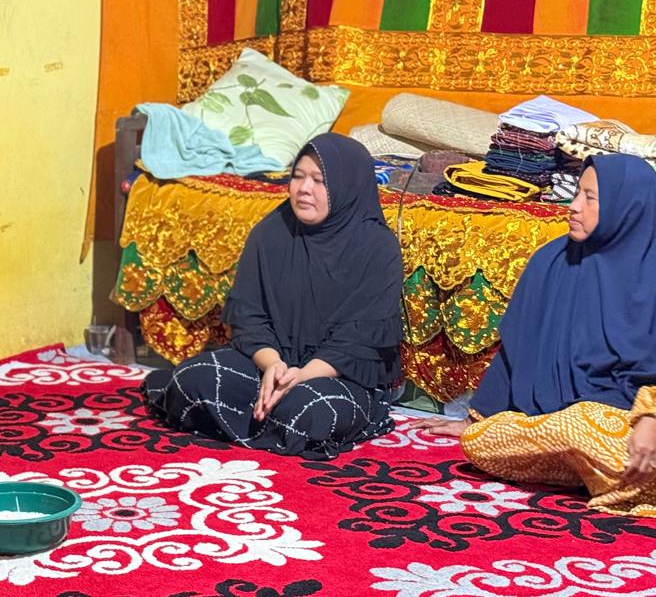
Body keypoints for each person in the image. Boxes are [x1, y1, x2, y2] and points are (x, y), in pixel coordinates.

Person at [410, 154, 656, 515]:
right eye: (577, 193)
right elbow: (516, 350)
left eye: (590, 198)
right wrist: (474, 419)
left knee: (583, 427)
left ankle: (597, 466)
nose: (574, 207)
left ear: (628, 208)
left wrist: (648, 419)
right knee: (479, 441)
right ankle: (595, 470)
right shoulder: (551, 261)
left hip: (635, 424)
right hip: (566, 426)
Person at [143, 133, 404, 459]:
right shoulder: (271, 232)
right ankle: (267, 425)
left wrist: (302, 376)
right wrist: (273, 366)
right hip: (272, 366)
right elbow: (250, 317)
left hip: (337, 375)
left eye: (319, 181)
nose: (304, 189)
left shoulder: (378, 248)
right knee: (191, 381)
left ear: (347, 186)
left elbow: (360, 340)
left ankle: (254, 420)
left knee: (308, 413)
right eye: (298, 176)